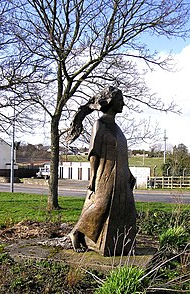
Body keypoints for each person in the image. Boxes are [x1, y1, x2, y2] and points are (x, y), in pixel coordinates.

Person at [67, 86, 137, 256]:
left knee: (127, 208)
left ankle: (119, 243)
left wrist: (129, 174)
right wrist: (92, 177)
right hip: (105, 173)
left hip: (121, 176)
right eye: (120, 100)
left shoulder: (118, 129)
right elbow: (94, 153)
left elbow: (122, 155)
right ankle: (77, 233)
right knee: (100, 206)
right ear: (111, 102)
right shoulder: (100, 124)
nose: (123, 103)